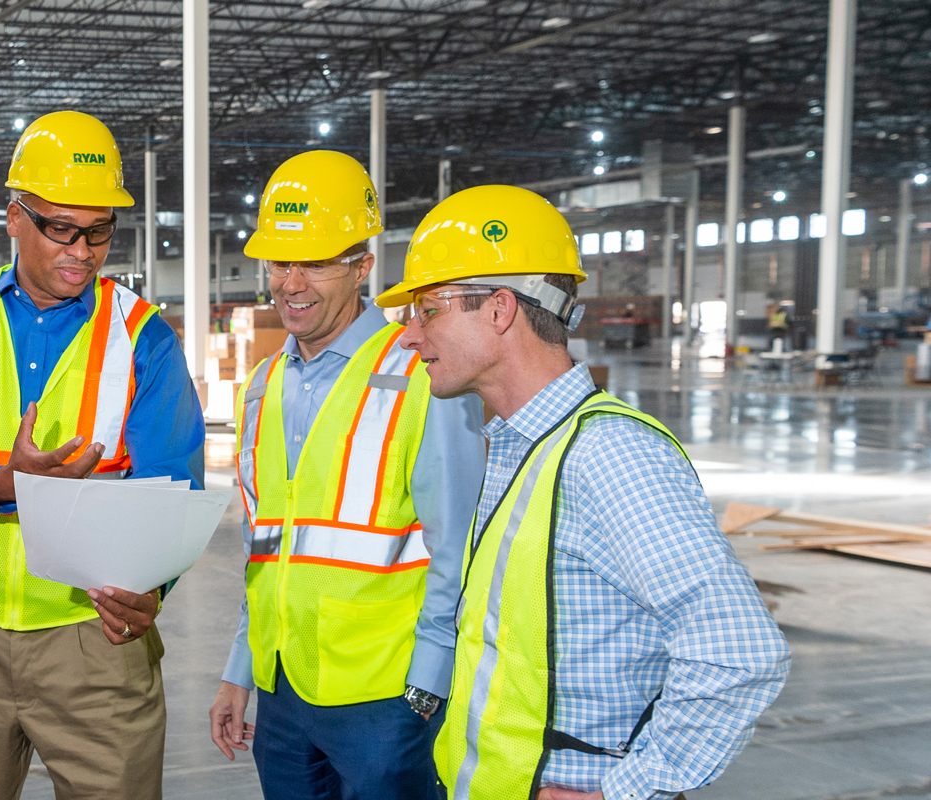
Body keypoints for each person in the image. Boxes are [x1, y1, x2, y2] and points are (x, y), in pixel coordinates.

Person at [376, 185, 789, 800]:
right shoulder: (518, 446)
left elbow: (738, 649)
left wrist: (626, 789)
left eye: (428, 310)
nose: (409, 337)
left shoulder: (609, 456)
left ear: (498, 309)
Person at [0, 110, 206, 800]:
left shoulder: (143, 337)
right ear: (13, 219)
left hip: (94, 641)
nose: (83, 250)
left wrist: (147, 591)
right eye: (61, 228)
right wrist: (5, 484)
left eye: (99, 232)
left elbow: (172, 488)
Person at [205, 151, 486, 799]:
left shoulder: (422, 375)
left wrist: (428, 688)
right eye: (280, 261)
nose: (291, 283)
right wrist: (238, 671)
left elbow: (462, 552)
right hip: (284, 693)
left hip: (388, 699)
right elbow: (265, 547)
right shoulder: (261, 387)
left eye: (316, 262)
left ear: (363, 265)